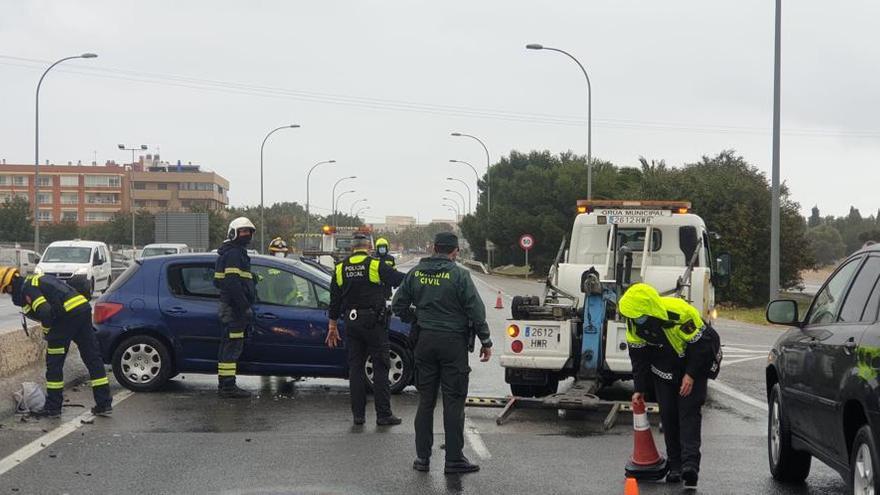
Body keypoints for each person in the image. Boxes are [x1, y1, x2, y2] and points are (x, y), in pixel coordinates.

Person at [391, 232, 493, 475]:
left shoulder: (416, 273)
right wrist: (485, 340)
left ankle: (422, 459)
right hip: (453, 344)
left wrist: (418, 318)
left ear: (434, 247)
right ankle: (454, 460)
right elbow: (476, 310)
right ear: (455, 251)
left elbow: (398, 305)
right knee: (454, 402)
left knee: (426, 401)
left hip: (424, 341)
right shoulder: (459, 275)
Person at [619, 283, 715, 490]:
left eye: (638, 315)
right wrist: (639, 389)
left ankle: (691, 467)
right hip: (663, 371)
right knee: (669, 417)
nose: (635, 320)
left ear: (649, 310)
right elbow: (639, 358)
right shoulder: (633, 324)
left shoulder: (679, 313)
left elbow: (702, 346)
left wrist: (690, 375)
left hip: (693, 366)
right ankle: (676, 466)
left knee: (688, 414)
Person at [0, 267, 112, 418]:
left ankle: (53, 408)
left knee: (54, 364)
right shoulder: (36, 280)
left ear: (10, 284)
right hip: (82, 310)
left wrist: (48, 334)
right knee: (92, 358)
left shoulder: (28, 289)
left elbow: (45, 311)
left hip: (66, 318)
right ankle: (104, 403)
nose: (7, 293)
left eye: (6, 290)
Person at [325, 233, 405, 426]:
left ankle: (358, 416)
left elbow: (334, 300)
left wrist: (332, 325)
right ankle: (383, 414)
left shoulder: (340, 268)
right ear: (368, 247)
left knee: (356, 369)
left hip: (351, 323)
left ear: (351, 249)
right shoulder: (374, 265)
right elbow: (399, 280)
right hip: (374, 323)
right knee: (380, 367)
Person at [214, 217, 257, 399]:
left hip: (232, 307)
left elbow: (219, 280)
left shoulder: (234, 252)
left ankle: (226, 384)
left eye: (249, 232)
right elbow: (231, 283)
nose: (246, 235)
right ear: (234, 233)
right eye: (243, 231)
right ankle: (228, 386)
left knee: (231, 345)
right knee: (232, 346)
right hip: (234, 309)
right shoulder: (233, 254)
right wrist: (244, 305)